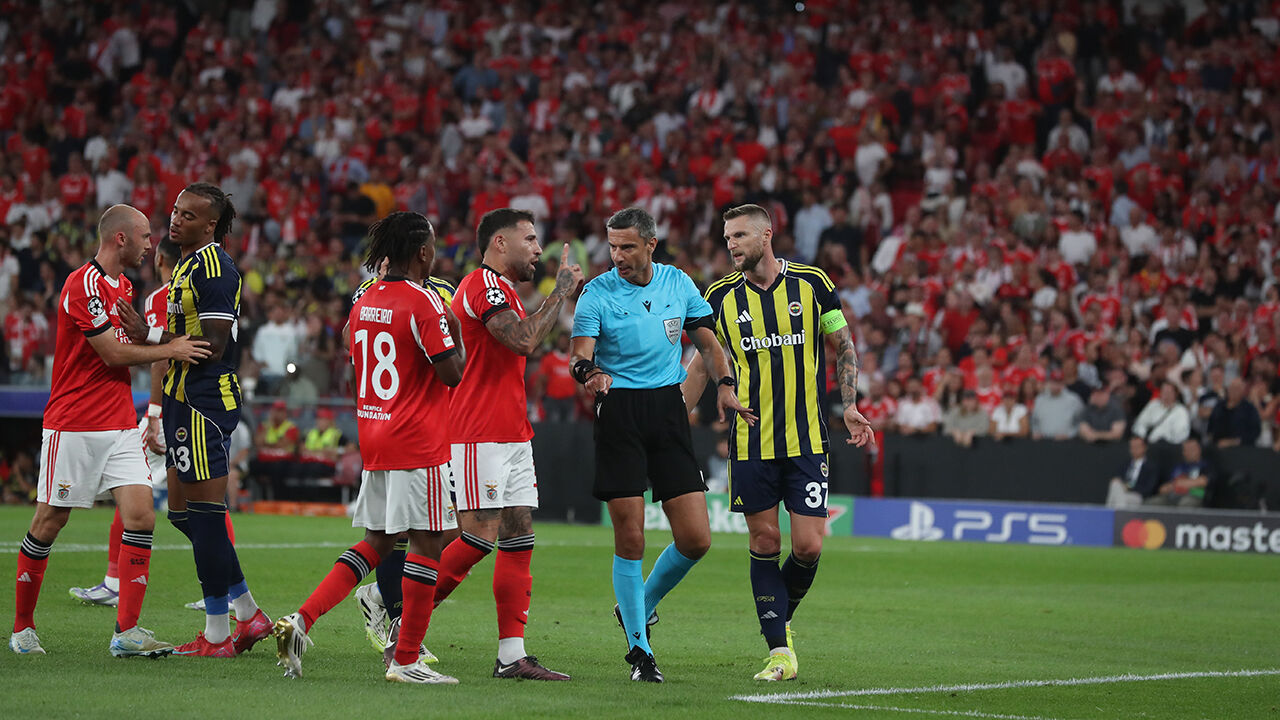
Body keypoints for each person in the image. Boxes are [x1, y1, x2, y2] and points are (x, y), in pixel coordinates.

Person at [273, 211, 466, 684]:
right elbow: (451, 373)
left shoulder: (367, 298)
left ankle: (301, 620)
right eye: (433, 245)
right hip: (418, 439)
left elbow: (356, 348)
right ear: (422, 252)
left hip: (376, 433)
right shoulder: (425, 302)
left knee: (379, 541)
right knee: (428, 543)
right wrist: (456, 335)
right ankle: (406, 659)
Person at [682, 204, 873, 682]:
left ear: (767, 235)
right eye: (728, 237)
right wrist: (675, 417)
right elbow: (706, 361)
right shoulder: (720, 296)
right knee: (765, 540)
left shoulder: (812, 283)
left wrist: (849, 403)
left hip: (807, 439)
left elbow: (844, 346)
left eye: (740, 236)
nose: (731, 245)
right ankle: (779, 651)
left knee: (808, 546)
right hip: (751, 442)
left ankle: (779, 614)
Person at [10, 204, 211, 657]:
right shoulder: (82, 284)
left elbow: (131, 344)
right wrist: (173, 348)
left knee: (141, 517)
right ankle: (23, 627)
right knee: (50, 520)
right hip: (74, 422)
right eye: (143, 236)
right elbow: (112, 355)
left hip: (119, 422)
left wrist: (157, 340)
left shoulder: (123, 287)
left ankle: (126, 632)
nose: (149, 245)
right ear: (120, 238)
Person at [570, 206, 752, 683]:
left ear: (651, 244)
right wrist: (589, 374)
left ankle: (638, 606)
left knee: (696, 539)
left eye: (627, 246)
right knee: (631, 537)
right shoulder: (597, 293)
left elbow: (709, 345)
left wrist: (726, 384)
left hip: (669, 414)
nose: (617, 256)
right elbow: (580, 353)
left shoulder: (678, 283)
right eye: (611, 246)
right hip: (620, 413)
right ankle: (640, 652)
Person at [116, 183, 272, 657]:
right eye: (176, 211)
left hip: (205, 400)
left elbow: (216, 343)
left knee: (205, 516)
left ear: (211, 226)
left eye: (189, 215)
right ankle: (247, 613)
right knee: (183, 513)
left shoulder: (216, 267)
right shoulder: (186, 263)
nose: (176, 219)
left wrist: (150, 334)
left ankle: (219, 635)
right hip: (185, 397)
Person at [428, 208, 579, 680]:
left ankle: (512, 655)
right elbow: (522, 340)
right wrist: (560, 294)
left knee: (519, 537)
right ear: (499, 244)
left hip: (510, 432)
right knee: (477, 537)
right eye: (530, 239)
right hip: (478, 432)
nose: (539, 249)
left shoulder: (506, 290)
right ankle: (397, 608)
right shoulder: (484, 284)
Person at [69, 238, 239, 610]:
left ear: (160, 257)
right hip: (187, 405)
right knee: (177, 502)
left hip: (178, 407)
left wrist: (154, 414)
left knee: (189, 503)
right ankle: (226, 588)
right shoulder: (195, 286)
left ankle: (221, 587)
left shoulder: (163, 296)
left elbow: (162, 358)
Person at [346, 255, 458, 664]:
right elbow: (352, 343)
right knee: (416, 531)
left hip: (440, 419)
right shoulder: (377, 294)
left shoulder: (439, 290)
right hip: (410, 423)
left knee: (458, 528)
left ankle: (378, 597)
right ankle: (399, 624)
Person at [1145, 436, 1212, 508]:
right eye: (1186, 450)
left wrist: (1180, 483)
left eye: (1191, 449)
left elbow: (1203, 481)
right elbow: (1165, 487)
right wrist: (1171, 486)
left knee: (1186, 503)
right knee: (1151, 502)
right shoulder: (1179, 467)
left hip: (1194, 495)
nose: (1188, 452)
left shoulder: (1205, 465)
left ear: (1199, 450)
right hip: (1173, 495)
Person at [250, 400, 299, 496]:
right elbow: (258, 443)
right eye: (275, 411)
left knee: (277, 470)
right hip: (266, 459)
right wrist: (269, 425)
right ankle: (258, 497)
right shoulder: (265, 425)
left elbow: (283, 444)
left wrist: (267, 445)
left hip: (284, 461)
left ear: (285, 413)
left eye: (280, 411)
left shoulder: (290, 427)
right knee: (252, 465)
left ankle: (278, 498)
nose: (277, 414)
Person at [1105, 435, 1160, 508]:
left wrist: (1129, 487)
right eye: (1132, 447)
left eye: (1137, 447)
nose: (1134, 450)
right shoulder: (1125, 465)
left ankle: (1109, 514)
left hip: (1137, 496)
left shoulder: (1151, 467)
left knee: (1119, 498)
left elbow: (1149, 489)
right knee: (1115, 485)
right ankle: (1119, 513)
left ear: (1144, 448)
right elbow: (1117, 479)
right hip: (1122, 493)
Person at [1131, 380, 1191, 444]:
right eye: (1163, 391)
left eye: (1168, 392)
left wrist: (1164, 440)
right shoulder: (1153, 404)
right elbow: (1140, 422)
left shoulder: (1181, 411)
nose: (1166, 394)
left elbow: (1181, 434)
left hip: (1168, 445)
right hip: (1148, 443)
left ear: (1175, 394)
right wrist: (1142, 436)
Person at [1207, 378, 1261, 448]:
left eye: (1236, 389)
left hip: (1242, 450)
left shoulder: (1250, 409)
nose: (1233, 391)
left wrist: (1234, 442)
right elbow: (1210, 427)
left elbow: (1255, 432)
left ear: (1242, 391)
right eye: (1231, 388)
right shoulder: (1219, 406)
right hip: (1219, 449)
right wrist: (1214, 440)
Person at [1030, 370, 1084, 440]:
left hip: (1065, 442)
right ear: (1048, 382)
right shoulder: (1040, 399)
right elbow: (1034, 421)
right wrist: (1035, 431)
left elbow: (1081, 421)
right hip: (1043, 441)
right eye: (1054, 382)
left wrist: (1070, 434)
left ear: (1063, 383)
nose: (1056, 386)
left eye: (1059, 382)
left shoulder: (1074, 400)